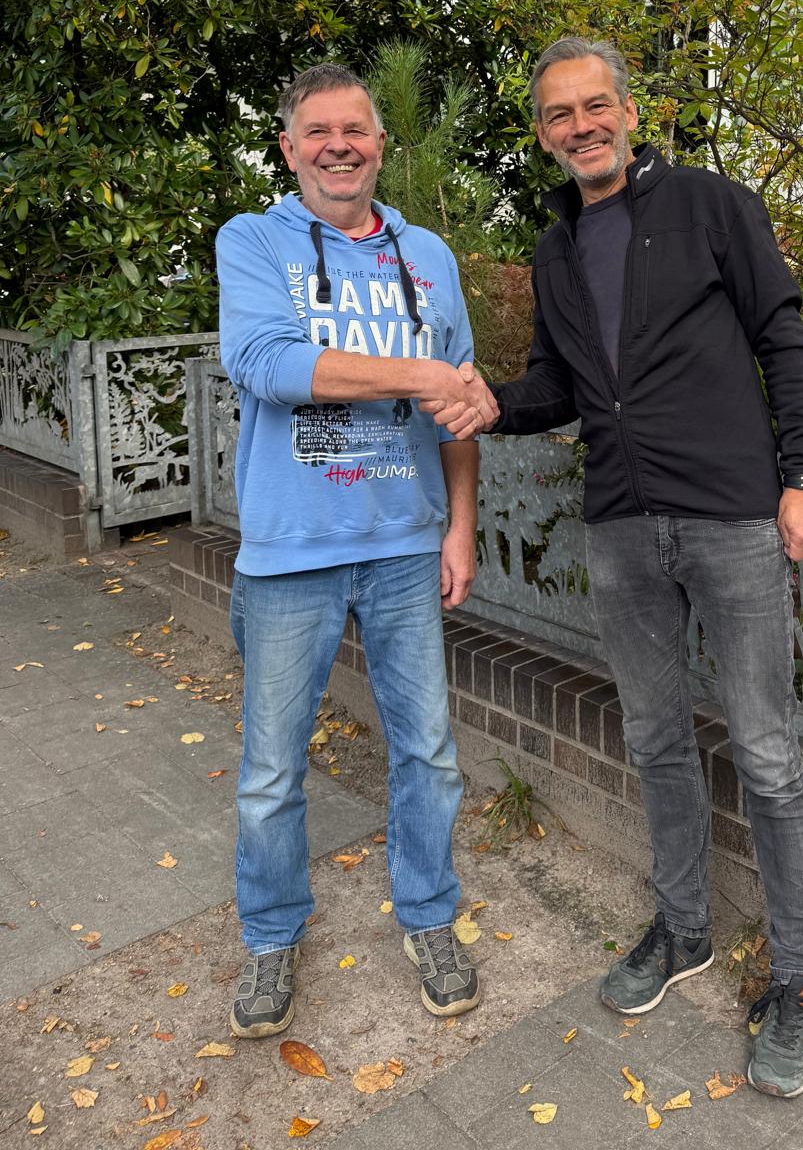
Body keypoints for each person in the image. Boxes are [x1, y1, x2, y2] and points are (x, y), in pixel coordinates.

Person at [467, 36, 803, 1097]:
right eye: (558, 115)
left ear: (631, 110)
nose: (580, 126)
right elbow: (558, 385)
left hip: (729, 515)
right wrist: (492, 403)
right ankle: (683, 930)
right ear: (543, 134)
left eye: (595, 106)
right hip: (622, 523)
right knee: (657, 737)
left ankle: (799, 981)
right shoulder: (555, 249)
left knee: (765, 750)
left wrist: (802, 472)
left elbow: (783, 336)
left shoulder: (716, 206)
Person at [216, 61, 498, 1039]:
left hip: (405, 546)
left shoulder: (429, 257)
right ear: (290, 146)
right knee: (269, 769)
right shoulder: (252, 241)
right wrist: (415, 370)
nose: (340, 145)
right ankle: (270, 934)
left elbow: (457, 402)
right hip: (290, 549)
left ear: (382, 145)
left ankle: (427, 914)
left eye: (358, 130)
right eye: (319, 131)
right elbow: (266, 362)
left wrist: (459, 523)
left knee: (428, 752)